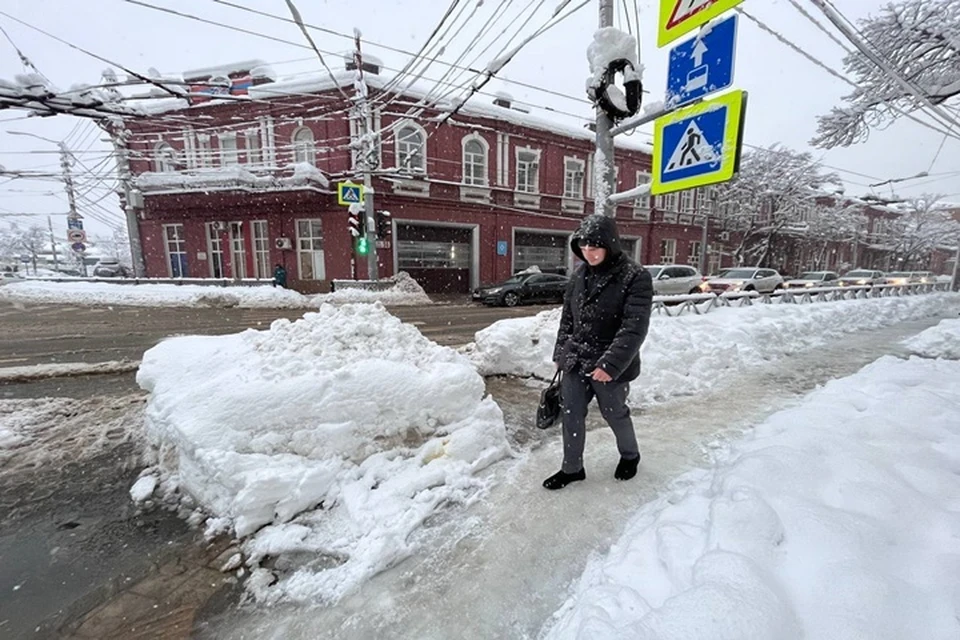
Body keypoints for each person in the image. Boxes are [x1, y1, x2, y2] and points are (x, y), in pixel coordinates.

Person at [544, 214, 654, 490]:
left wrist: (610, 364)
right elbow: (567, 319)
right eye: (583, 247)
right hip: (576, 359)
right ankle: (572, 469)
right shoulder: (579, 275)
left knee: (615, 412)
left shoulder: (635, 276)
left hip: (609, 363)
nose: (588, 253)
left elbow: (634, 327)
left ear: (610, 244)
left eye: (595, 247)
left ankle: (630, 455)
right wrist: (561, 352)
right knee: (571, 414)